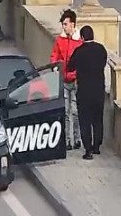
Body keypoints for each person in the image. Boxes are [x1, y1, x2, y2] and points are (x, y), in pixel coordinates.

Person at [66, 25, 107, 160]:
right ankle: (97, 147)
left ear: (82, 37)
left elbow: (70, 67)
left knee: (85, 120)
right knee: (97, 119)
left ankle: (88, 150)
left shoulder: (79, 51)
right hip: (98, 90)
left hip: (84, 91)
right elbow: (103, 63)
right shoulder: (101, 49)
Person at [49, 9, 83, 150]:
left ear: (72, 25)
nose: (64, 26)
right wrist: (55, 66)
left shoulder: (79, 42)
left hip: (75, 80)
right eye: (63, 24)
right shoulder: (60, 40)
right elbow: (54, 56)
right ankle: (67, 140)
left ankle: (77, 139)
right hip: (63, 79)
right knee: (65, 111)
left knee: (74, 112)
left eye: (65, 24)